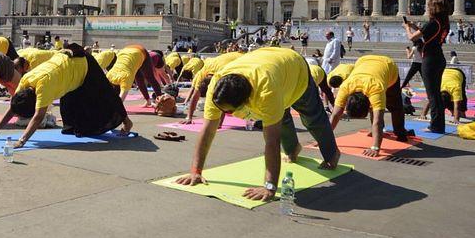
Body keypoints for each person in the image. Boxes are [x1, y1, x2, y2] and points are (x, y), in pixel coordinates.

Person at [175, 48, 340, 201]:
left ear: (247, 102)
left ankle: (332, 154)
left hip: (295, 70)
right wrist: (195, 172)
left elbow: (272, 141)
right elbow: (208, 130)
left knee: (311, 118)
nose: (224, 114)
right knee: (280, 118)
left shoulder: (266, 92)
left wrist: (270, 186)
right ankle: (293, 149)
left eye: (229, 112)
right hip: (270, 64)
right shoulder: (217, 86)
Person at [0, 46, 132, 147]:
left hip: (84, 63)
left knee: (107, 94)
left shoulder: (44, 87)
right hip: (67, 69)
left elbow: (37, 116)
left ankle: (127, 121)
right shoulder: (25, 83)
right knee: (72, 121)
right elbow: (12, 109)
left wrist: (21, 141)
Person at [330, 55, 411, 155]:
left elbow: (378, 121)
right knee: (377, 110)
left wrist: (375, 147)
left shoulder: (376, 89)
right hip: (363, 61)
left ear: (369, 107)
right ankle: (376, 132)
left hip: (388, 66)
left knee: (395, 106)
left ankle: (400, 132)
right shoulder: (345, 87)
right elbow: (335, 115)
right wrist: (324, 139)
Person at [403, 0, 450, 134]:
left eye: (428, 7)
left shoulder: (432, 23)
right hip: (439, 58)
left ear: (433, 9)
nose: (427, 9)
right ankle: (439, 125)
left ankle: (435, 126)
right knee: (436, 94)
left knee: (432, 95)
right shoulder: (443, 23)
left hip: (430, 59)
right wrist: (414, 27)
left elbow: (412, 38)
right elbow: (429, 35)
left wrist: (407, 28)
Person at [182, 51, 244, 124]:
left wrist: (219, 123)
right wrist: (189, 117)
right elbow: (194, 98)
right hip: (229, 59)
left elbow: (224, 99)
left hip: (242, 60)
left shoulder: (222, 74)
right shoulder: (200, 75)